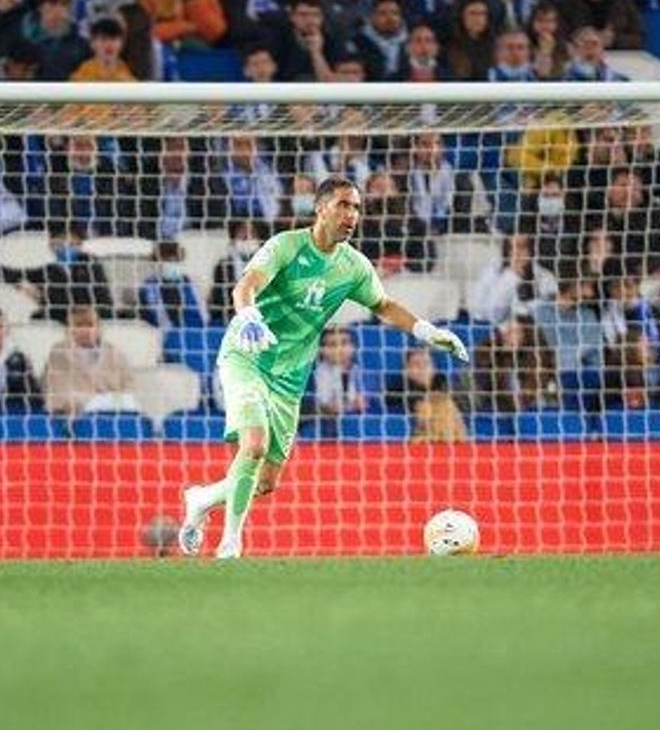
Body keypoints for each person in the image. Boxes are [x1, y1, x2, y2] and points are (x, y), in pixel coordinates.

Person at [175, 176, 470, 559]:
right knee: (254, 446)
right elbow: (244, 286)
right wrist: (247, 316)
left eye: (357, 208)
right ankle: (230, 544)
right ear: (321, 208)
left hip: (290, 376)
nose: (352, 215)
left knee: (266, 482)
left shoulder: (353, 266)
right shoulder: (285, 246)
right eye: (344, 205)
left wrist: (426, 330)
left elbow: (382, 305)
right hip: (247, 356)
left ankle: (200, 500)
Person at [43, 305, 135, 417]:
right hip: (73, 416)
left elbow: (128, 386)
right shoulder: (58, 353)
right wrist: (87, 402)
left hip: (111, 413)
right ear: (69, 329)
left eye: (90, 325)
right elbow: (56, 391)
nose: (85, 330)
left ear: (99, 328)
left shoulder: (115, 353)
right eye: (79, 326)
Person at [384, 347, 467, 443]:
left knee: (446, 404)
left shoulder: (446, 384)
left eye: (426, 363)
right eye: (416, 364)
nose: (422, 368)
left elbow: (463, 404)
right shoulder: (397, 389)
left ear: (434, 368)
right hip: (423, 435)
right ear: (406, 370)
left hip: (451, 432)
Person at [310, 326, 379, 430]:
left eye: (344, 343)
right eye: (332, 345)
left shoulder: (366, 375)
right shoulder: (311, 376)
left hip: (356, 425)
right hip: (321, 425)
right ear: (321, 349)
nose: (339, 349)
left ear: (353, 347)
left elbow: (367, 404)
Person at [139, 240, 208, 330]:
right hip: (163, 335)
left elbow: (202, 314)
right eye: (168, 261)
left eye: (176, 261)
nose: (173, 265)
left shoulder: (189, 282)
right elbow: (159, 317)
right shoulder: (149, 287)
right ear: (158, 263)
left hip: (194, 331)